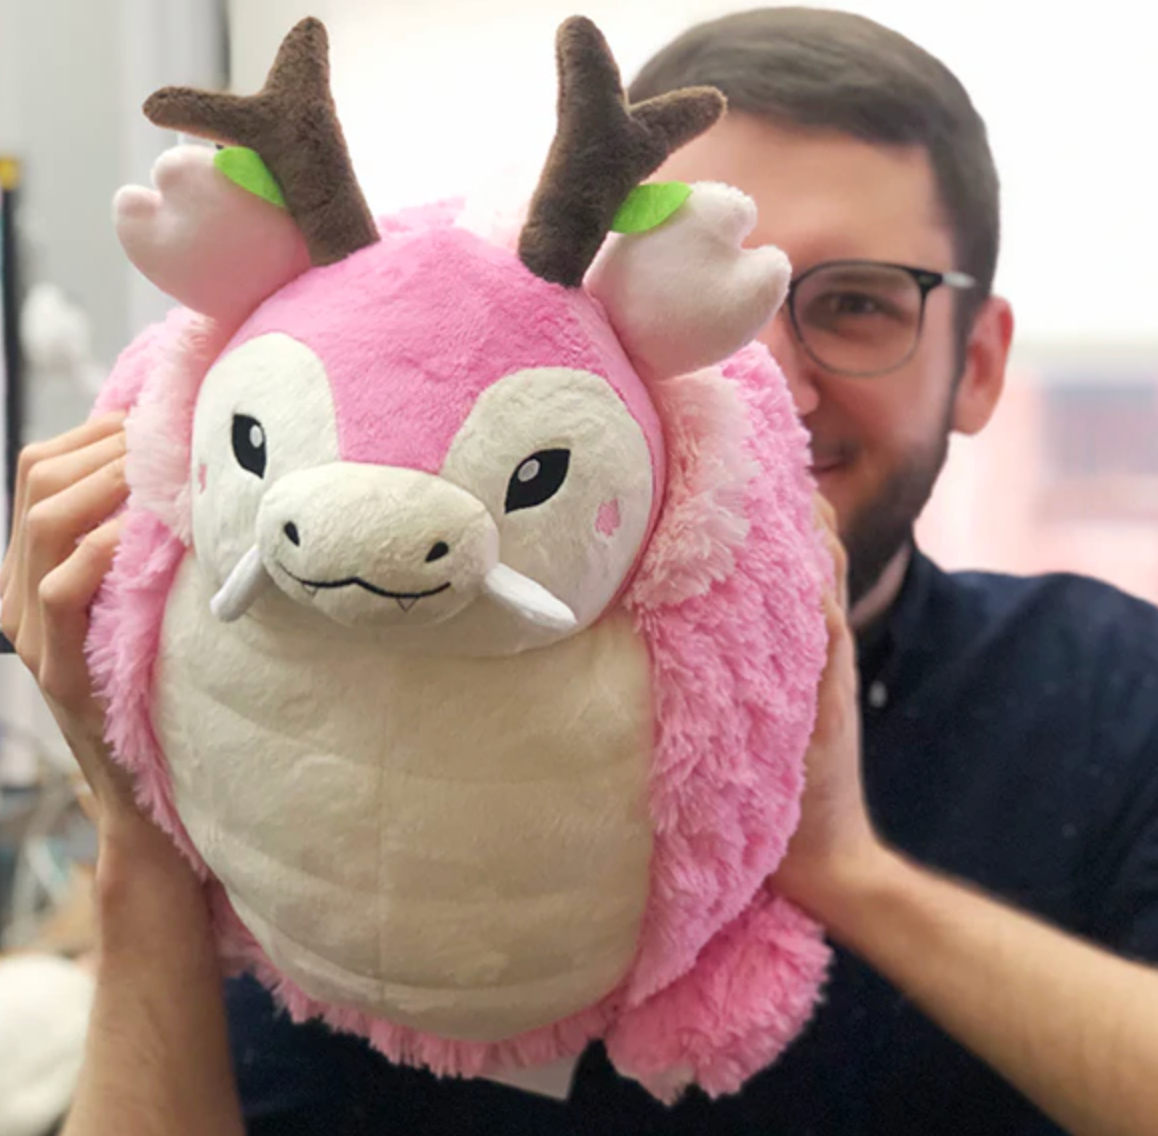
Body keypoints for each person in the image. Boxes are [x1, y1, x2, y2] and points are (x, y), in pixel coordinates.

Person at [3, 7, 1158, 1136]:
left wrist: (848, 868)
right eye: (696, 284)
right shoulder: (342, 637)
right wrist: (145, 810)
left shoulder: (1103, 694)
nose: (766, 374)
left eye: (855, 305)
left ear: (979, 364)